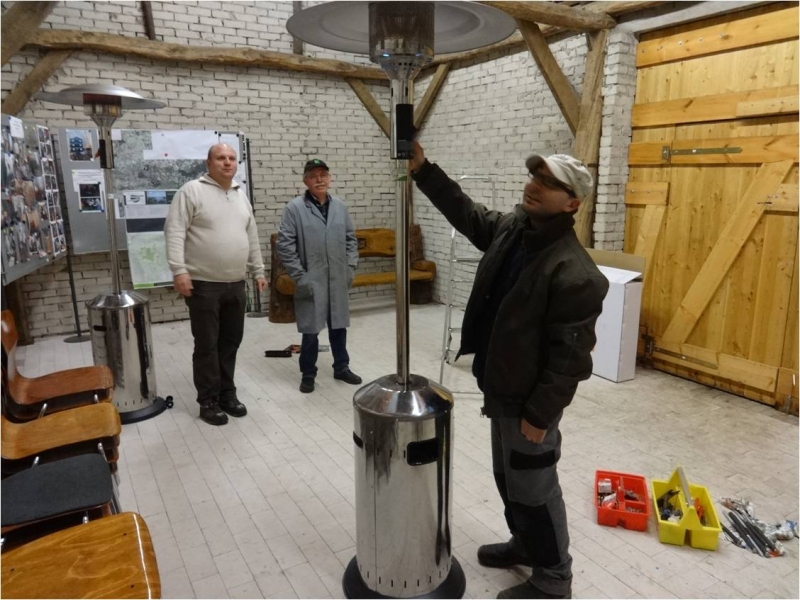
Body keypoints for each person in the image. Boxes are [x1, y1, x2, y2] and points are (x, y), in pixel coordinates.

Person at [410, 141, 608, 600]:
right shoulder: (514, 230)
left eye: (549, 182)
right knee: (509, 478)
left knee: (535, 487)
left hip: (529, 403)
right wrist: (423, 169)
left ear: (573, 203)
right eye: (535, 175)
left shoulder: (575, 273)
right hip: (501, 387)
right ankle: (524, 544)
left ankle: (554, 580)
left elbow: (569, 362)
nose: (534, 185)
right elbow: (466, 212)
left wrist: (539, 416)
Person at [165, 143, 267, 426]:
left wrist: (258, 270)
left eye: (232, 158)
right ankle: (208, 401)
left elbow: (251, 236)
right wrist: (179, 270)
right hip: (203, 284)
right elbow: (174, 231)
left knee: (230, 342)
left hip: (236, 283)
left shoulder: (240, 195)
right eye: (221, 158)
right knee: (207, 345)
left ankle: (226, 394)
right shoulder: (191, 191)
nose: (227, 162)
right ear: (208, 163)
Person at [276, 159, 362, 393]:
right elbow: (285, 245)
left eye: (323, 174)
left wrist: (350, 267)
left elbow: (350, 239)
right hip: (311, 279)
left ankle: (341, 367)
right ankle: (308, 374)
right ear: (305, 181)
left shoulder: (340, 207)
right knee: (311, 330)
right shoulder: (294, 208)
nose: (319, 179)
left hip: (337, 278)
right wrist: (300, 276)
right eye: (313, 176)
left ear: (330, 178)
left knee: (339, 325)